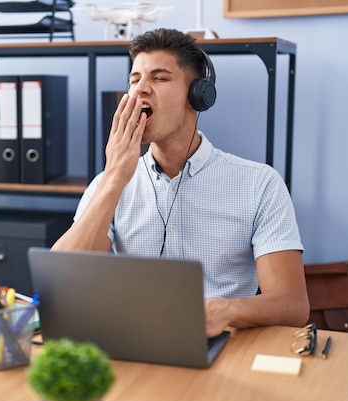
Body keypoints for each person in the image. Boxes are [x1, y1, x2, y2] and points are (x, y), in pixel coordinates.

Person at [52, 28, 309, 337]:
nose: (140, 90)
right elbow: (60, 279)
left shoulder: (259, 184)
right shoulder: (109, 183)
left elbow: (293, 306)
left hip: (222, 344)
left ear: (198, 95)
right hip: (134, 341)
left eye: (159, 78)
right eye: (134, 80)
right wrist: (114, 178)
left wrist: (226, 310)